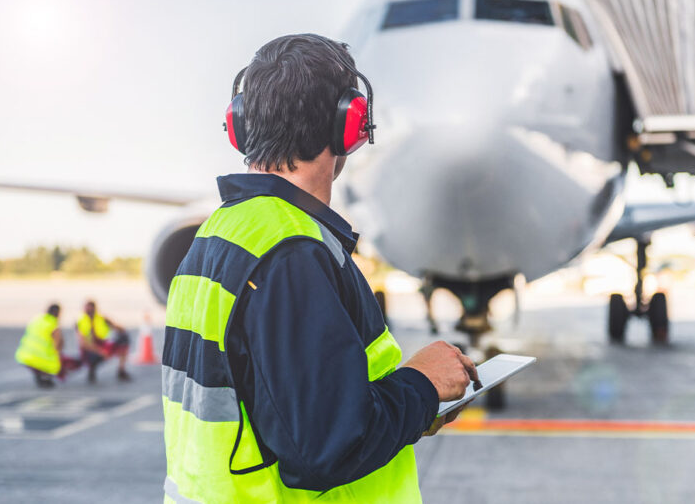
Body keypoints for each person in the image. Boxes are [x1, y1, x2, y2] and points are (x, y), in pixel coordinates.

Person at [162, 34, 478, 503]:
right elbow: (323, 449)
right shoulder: (291, 252)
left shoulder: (219, 233)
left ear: (241, 125)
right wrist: (422, 386)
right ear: (350, 125)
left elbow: (277, 408)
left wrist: (411, 411)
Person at [15, 304, 80, 388]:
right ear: (58, 313)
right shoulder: (53, 324)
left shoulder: (37, 319)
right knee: (65, 363)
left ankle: (41, 375)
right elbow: (57, 345)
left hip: (24, 356)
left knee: (44, 361)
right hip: (42, 359)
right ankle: (46, 377)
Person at [76, 300, 131, 383]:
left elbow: (118, 328)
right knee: (92, 355)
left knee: (124, 339)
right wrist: (100, 352)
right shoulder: (81, 322)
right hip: (90, 349)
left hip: (102, 344)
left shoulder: (101, 319)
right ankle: (92, 369)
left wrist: (117, 326)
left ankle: (121, 370)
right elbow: (83, 343)